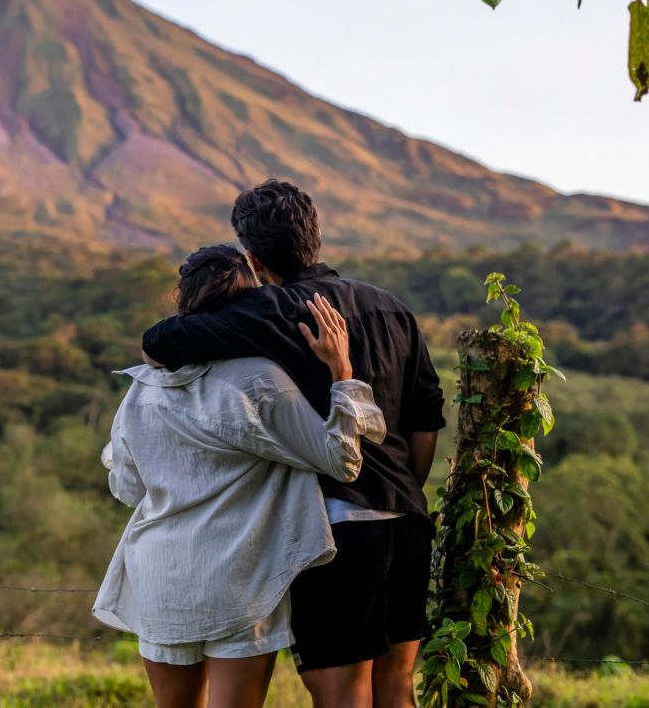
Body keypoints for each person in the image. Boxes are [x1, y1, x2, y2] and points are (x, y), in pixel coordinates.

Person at [142, 181, 446, 708]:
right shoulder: (391, 307)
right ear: (315, 236)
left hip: (337, 531)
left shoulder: (269, 311)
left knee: (343, 694)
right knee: (396, 689)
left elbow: (160, 341)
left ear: (254, 259)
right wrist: (400, 492)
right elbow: (425, 422)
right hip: (407, 521)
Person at [94, 245, 387, 708]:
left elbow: (127, 488)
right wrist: (342, 373)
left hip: (160, 577)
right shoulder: (259, 379)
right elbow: (341, 460)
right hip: (237, 581)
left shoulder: (140, 391)